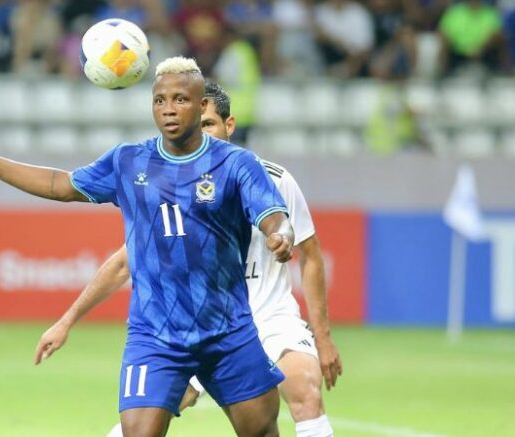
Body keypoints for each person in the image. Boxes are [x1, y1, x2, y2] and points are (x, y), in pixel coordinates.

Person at [0, 57, 293, 437]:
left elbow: (274, 215)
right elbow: (60, 185)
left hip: (227, 331)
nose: (169, 109)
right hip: (155, 334)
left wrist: (280, 235)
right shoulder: (128, 161)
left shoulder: (236, 164)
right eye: (160, 100)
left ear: (202, 104)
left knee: (260, 431)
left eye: (180, 99)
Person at [36, 82, 342, 437]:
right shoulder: (173, 182)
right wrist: (67, 321)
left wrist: (323, 338)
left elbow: (310, 255)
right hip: (201, 321)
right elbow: (123, 263)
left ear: (229, 125)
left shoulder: (275, 179)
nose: (201, 131)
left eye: (209, 124)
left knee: (305, 389)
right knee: (155, 413)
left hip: (270, 316)